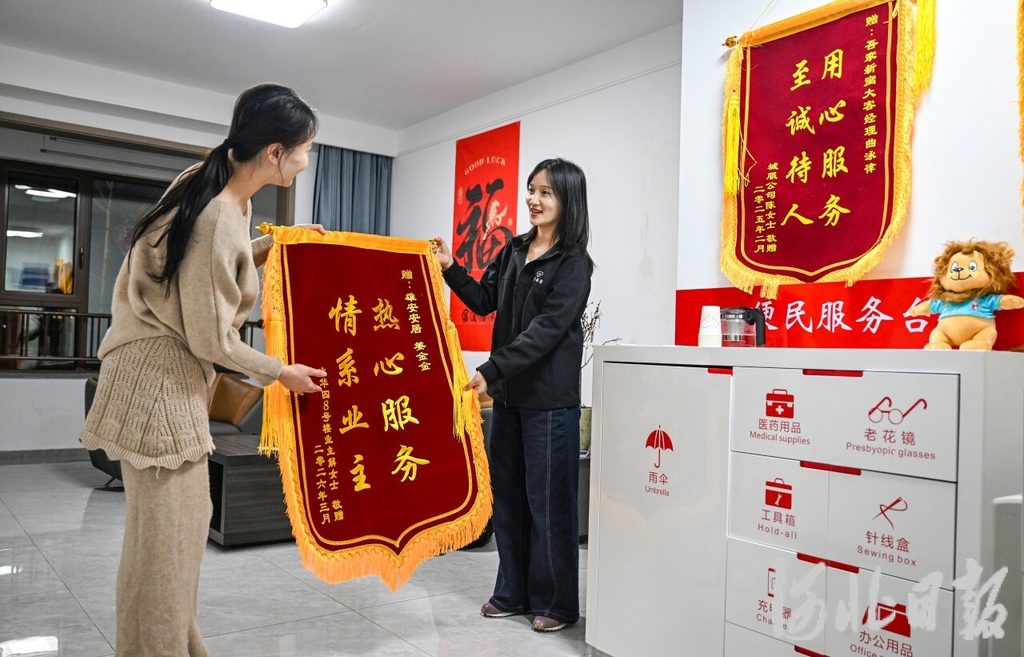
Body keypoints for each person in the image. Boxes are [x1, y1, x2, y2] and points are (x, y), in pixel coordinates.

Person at [80, 83, 327, 657]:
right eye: (305, 148)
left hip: (157, 374)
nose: (306, 159)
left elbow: (204, 262)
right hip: (158, 382)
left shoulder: (212, 184)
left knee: (171, 539)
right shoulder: (219, 211)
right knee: (166, 549)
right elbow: (211, 338)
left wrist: (273, 246)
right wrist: (281, 372)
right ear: (275, 152)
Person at [431, 157, 593, 633]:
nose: (533, 200)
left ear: (568, 200)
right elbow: (485, 300)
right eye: (531, 189)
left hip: (550, 404)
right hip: (509, 399)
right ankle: (512, 593)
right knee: (509, 501)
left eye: (545, 192)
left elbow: (546, 331)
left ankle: (557, 604)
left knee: (549, 507)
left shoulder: (573, 264)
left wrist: (492, 369)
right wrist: (450, 268)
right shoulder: (515, 250)